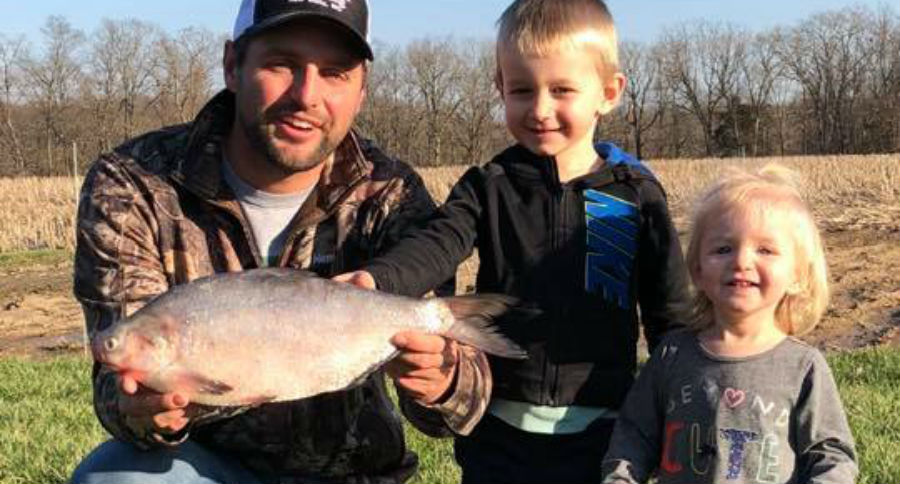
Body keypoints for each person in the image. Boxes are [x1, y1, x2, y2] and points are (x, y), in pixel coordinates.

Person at [69, 0, 452, 482]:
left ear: (361, 91)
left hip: (355, 472)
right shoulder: (134, 181)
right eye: (282, 64)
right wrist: (143, 410)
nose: (307, 95)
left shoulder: (392, 195)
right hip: (200, 466)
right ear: (233, 65)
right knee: (117, 477)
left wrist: (441, 381)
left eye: (334, 73)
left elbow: (456, 410)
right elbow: (113, 384)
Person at [335, 1, 689, 482]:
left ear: (608, 92)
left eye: (562, 90)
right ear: (501, 88)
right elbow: (438, 242)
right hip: (498, 431)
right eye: (521, 90)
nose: (540, 109)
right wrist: (378, 279)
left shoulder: (634, 196)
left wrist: (683, 397)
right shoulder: (489, 186)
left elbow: (669, 313)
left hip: (606, 431)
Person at [601, 165, 858, 484]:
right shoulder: (672, 355)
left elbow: (831, 454)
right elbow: (634, 436)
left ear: (797, 275)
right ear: (696, 271)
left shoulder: (803, 367)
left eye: (765, 250)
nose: (741, 261)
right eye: (723, 249)